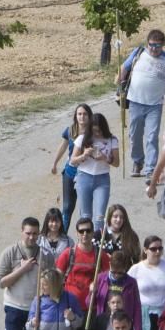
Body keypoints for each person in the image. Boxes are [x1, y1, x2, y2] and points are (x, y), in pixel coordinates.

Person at [118, 29, 165, 179]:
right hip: (135, 102)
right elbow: (125, 68)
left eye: (158, 46)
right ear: (147, 43)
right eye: (152, 45)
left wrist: (162, 86)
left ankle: (150, 168)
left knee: (152, 136)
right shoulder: (139, 53)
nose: (154, 49)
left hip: (155, 104)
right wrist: (120, 84)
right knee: (135, 134)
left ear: (163, 45)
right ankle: (138, 161)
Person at [70, 113, 119, 231]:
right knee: (85, 216)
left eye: (99, 131)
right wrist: (84, 155)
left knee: (99, 217)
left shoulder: (112, 139)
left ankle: (97, 244)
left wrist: (105, 158)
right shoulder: (82, 139)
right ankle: (85, 243)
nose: (96, 134)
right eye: (94, 131)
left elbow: (117, 163)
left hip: (102, 179)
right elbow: (72, 161)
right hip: (84, 177)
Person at [51, 104, 91, 232]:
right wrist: (55, 163)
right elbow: (62, 147)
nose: (82, 117)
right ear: (75, 116)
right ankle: (62, 235)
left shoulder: (94, 132)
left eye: (85, 114)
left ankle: (85, 235)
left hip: (87, 173)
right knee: (68, 207)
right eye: (79, 114)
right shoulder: (70, 130)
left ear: (89, 116)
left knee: (85, 209)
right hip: (70, 171)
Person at [55, 217, 110, 309]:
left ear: (93, 233)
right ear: (77, 233)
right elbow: (56, 278)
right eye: (81, 231)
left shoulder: (101, 255)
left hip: (93, 307)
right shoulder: (68, 253)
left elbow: (108, 278)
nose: (85, 234)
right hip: (70, 308)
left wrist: (98, 284)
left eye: (88, 231)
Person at [89, 250, 143, 330]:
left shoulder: (132, 282)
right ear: (110, 264)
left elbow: (137, 308)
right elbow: (89, 304)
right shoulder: (100, 278)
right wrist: (92, 292)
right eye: (113, 272)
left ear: (126, 268)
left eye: (120, 273)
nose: (117, 275)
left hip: (123, 327)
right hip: (104, 326)